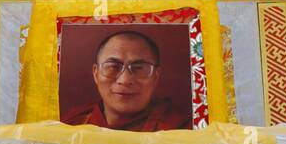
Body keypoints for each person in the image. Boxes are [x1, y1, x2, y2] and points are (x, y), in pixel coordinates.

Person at [62, 30, 191, 131]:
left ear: (155, 77)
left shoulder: (183, 131)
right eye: (113, 67)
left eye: (139, 68)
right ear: (96, 74)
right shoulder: (70, 128)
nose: (125, 80)